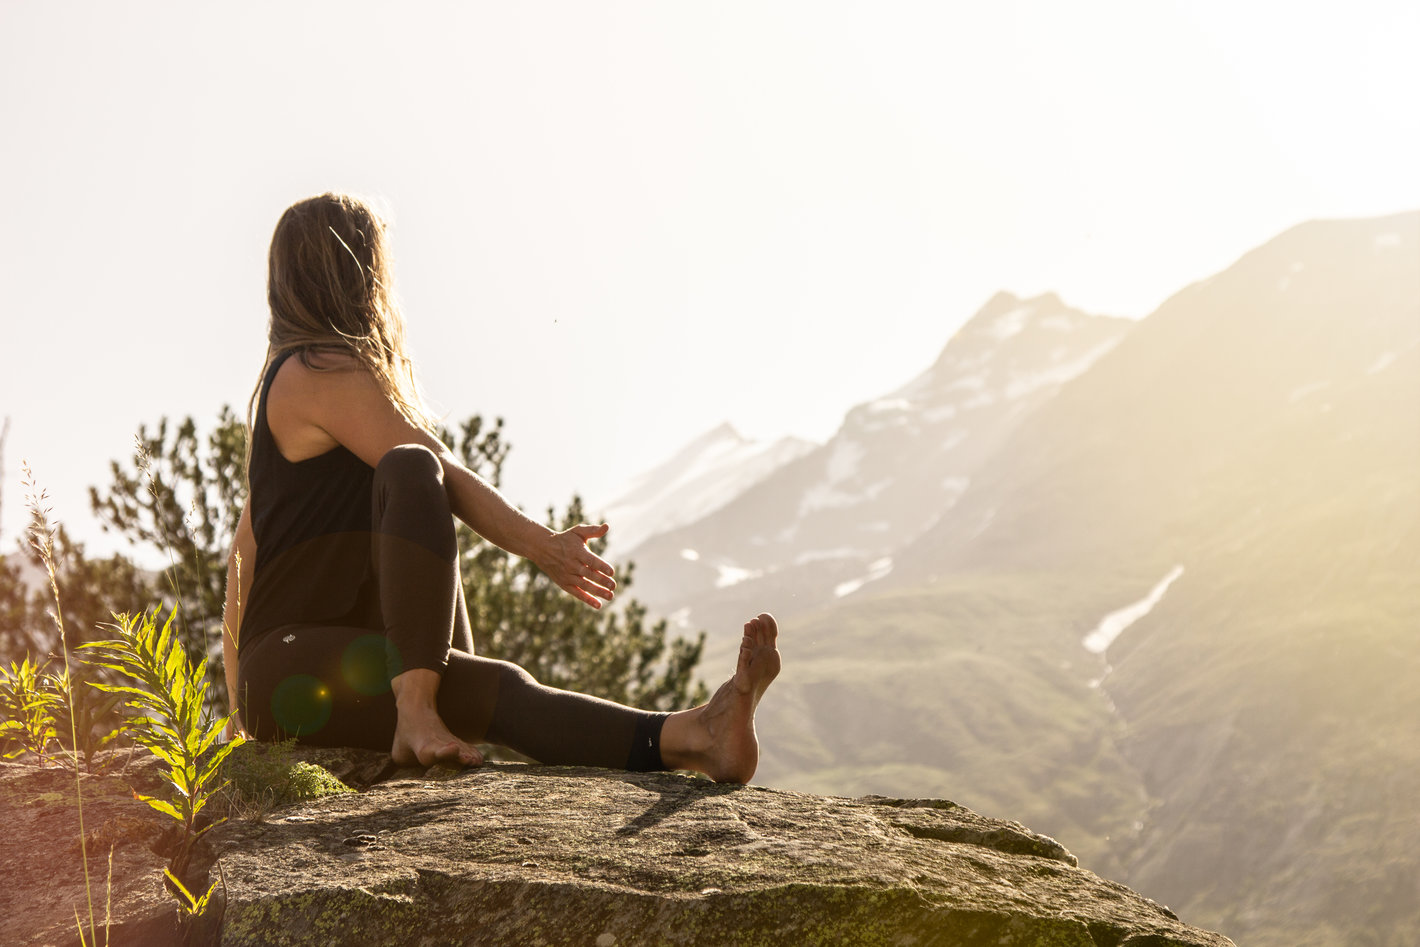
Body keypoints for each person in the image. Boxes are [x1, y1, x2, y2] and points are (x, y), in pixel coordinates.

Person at [221, 193, 779, 782]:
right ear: (359, 276)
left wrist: (238, 707)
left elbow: (243, 559)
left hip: (347, 660)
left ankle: (700, 736)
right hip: (294, 668)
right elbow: (439, 468)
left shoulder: (307, 393)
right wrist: (543, 546)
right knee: (414, 468)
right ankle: (423, 711)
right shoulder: (312, 372)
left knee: (497, 683)